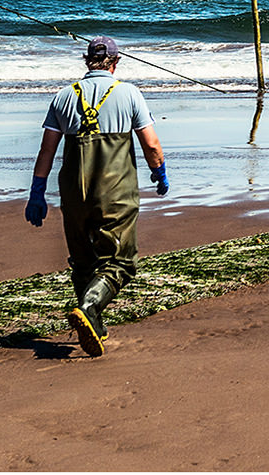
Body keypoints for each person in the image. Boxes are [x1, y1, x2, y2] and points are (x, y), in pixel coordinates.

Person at [26, 36, 168, 358]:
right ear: (115, 63)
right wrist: (159, 172)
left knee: (83, 261)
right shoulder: (129, 94)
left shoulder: (64, 97)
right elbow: (151, 144)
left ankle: (94, 326)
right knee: (120, 261)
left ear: (86, 61)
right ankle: (90, 307)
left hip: (74, 195)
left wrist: (37, 193)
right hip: (116, 194)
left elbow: (47, 150)